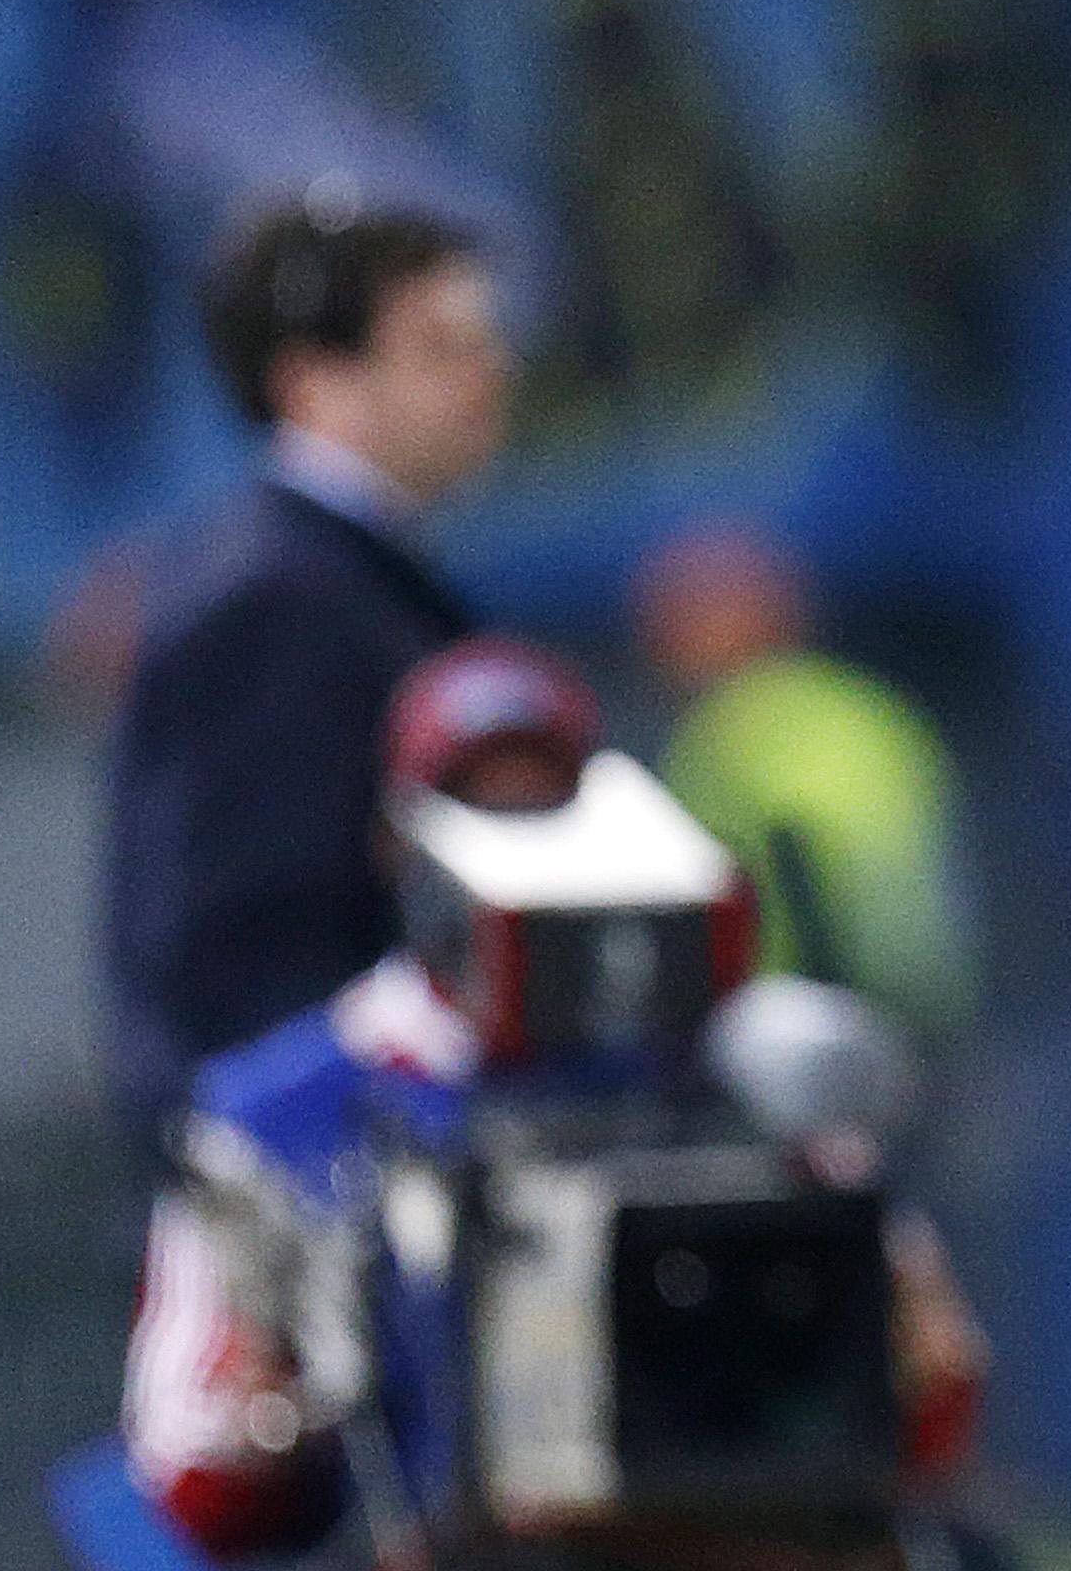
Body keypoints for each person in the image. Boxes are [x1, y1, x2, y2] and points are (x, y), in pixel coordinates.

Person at [119, 637, 989, 1568]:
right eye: (479, 805)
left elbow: (929, 1391)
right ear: (396, 840)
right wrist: (288, 1410)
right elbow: (186, 1472)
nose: (517, 842)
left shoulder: (724, 1071)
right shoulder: (288, 1114)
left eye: (547, 804)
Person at [97, 196, 511, 1168]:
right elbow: (254, 957)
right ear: (313, 385)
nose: (491, 372)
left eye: (487, 342)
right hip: (309, 1193)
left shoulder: (345, 583)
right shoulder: (283, 600)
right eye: (439, 347)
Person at [637, 527, 977, 1058]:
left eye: (677, 615)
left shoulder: (730, 729)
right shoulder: (870, 705)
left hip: (812, 1034)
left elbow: (808, 858)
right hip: (931, 1015)